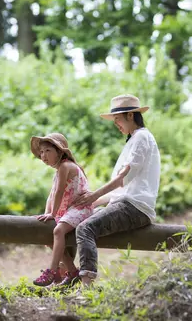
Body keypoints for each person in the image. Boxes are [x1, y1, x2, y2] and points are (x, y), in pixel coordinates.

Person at [72, 94, 161, 287]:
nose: (116, 125)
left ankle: (86, 287)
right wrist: (91, 202)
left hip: (135, 208)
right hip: (127, 204)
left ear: (130, 115)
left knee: (85, 228)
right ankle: (68, 274)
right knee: (76, 221)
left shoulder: (142, 138)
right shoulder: (134, 140)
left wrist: (94, 195)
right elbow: (124, 188)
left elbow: (121, 180)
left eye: (117, 119)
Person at [30, 133, 94, 287]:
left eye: (48, 151)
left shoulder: (65, 166)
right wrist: (47, 214)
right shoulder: (60, 169)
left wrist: (53, 214)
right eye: (42, 152)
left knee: (58, 231)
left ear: (59, 151)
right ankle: (72, 271)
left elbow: (59, 192)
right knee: (49, 237)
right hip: (69, 210)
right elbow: (52, 196)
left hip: (81, 209)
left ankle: (51, 271)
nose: (43, 155)